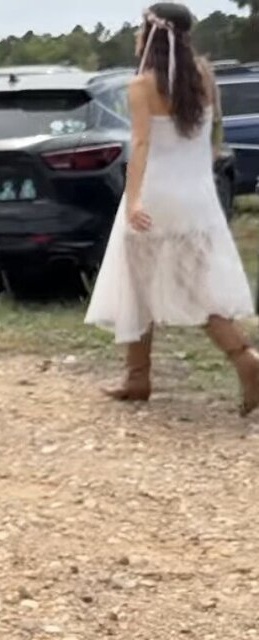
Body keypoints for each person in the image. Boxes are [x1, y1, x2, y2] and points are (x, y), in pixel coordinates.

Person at [86, 2, 259, 416]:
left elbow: (141, 144)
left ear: (151, 35)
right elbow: (212, 135)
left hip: (157, 195)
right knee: (195, 285)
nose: (135, 36)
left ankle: (241, 362)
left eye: (139, 29)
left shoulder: (141, 85)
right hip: (197, 198)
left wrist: (132, 200)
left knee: (139, 283)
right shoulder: (204, 76)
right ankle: (146, 375)